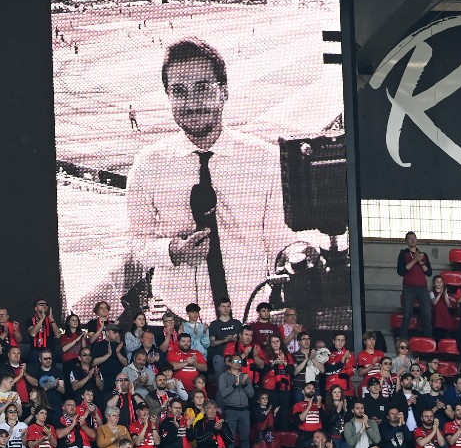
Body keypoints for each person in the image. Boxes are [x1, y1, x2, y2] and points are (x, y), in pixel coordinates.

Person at [80, 37, 300, 324]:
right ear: (169, 97)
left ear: (224, 92)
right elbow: (138, 245)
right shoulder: (148, 165)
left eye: (203, 88)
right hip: (179, 323)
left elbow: (281, 244)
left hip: (253, 320)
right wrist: (171, 251)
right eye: (180, 91)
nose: (192, 103)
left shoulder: (267, 160)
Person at [397, 232, 433, 339]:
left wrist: (420, 262)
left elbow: (429, 272)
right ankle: (403, 341)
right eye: (410, 239)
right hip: (409, 288)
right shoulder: (403, 253)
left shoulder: (423, 255)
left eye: (414, 238)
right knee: (407, 314)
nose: (412, 240)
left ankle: (428, 340)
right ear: (406, 241)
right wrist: (414, 260)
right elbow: (401, 271)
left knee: (427, 314)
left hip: (422, 288)